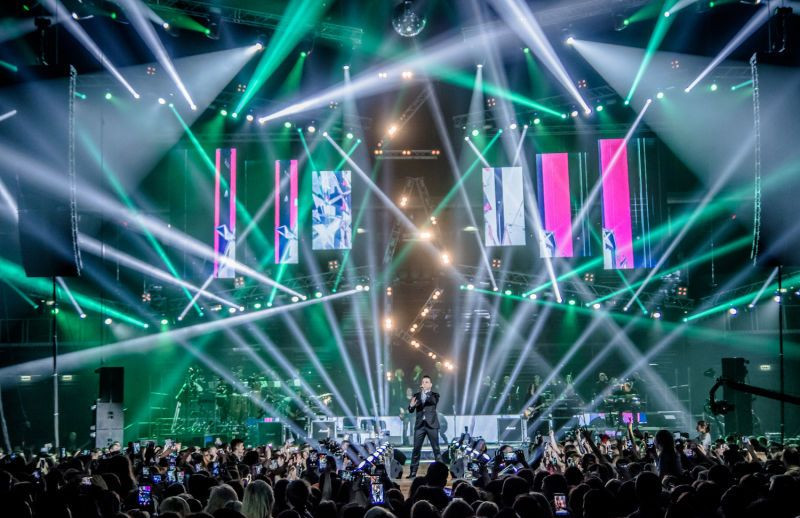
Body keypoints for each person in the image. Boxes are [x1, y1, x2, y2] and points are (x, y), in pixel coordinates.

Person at [408, 374, 441, 478]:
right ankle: (413, 472)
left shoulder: (435, 395)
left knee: (436, 449)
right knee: (416, 449)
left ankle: (441, 472)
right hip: (420, 426)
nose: (424, 383)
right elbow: (410, 410)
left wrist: (426, 393)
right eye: (423, 382)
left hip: (432, 425)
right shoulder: (417, 395)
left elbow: (433, 402)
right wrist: (411, 406)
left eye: (427, 382)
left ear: (430, 384)